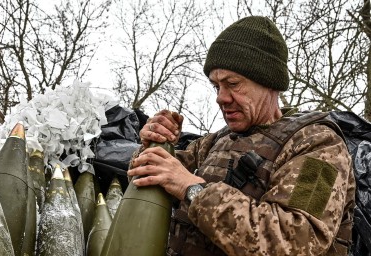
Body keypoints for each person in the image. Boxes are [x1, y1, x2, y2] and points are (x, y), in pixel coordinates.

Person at [127, 16, 355, 255]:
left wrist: (192, 189)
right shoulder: (214, 143)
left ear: (268, 81)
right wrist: (153, 145)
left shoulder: (320, 147)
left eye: (233, 84)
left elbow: (298, 239)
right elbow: (148, 176)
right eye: (217, 86)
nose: (221, 98)